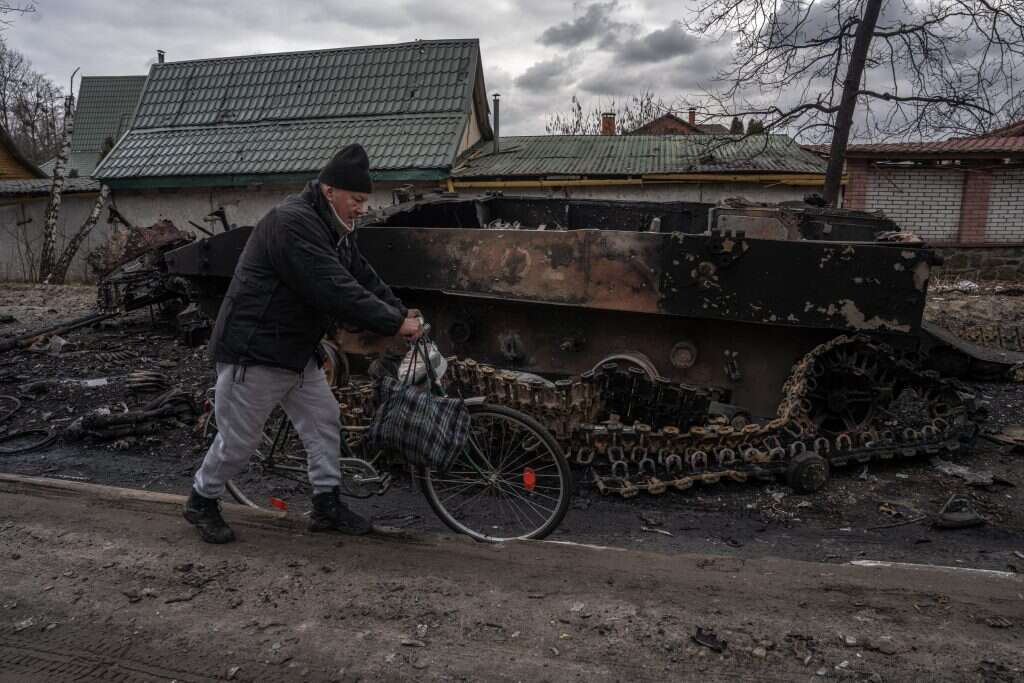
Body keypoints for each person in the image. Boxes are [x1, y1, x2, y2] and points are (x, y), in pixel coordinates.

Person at [184, 143, 422, 544]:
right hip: (254, 352)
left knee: (323, 421)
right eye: (357, 199)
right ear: (331, 191)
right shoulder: (291, 223)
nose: (362, 208)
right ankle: (201, 499)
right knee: (239, 443)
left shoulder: (335, 229)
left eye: (365, 201)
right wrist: (393, 323)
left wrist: (402, 312)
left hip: (296, 352)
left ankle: (326, 506)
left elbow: (362, 276)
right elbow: (333, 288)